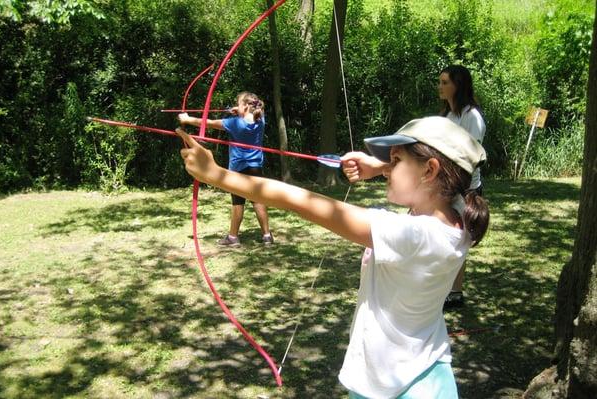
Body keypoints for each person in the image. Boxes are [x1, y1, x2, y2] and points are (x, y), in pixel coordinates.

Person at [177, 116, 489, 398]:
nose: (387, 170)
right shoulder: (458, 215)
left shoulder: (412, 236)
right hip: (421, 372)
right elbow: (448, 178)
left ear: (429, 170)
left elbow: (299, 200)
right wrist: (378, 167)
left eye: (395, 161)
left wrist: (216, 175)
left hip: (402, 388)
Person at [178, 92, 273, 246]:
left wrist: (187, 119)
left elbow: (208, 123)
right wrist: (240, 110)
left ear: (246, 106)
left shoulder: (234, 123)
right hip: (256, 167)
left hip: (238, 169)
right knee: (258, 201)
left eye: (239, 103)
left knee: (238, 203)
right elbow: (250, 114)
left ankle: (233, 238)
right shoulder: (260, 119)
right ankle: (267, 235)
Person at [438, 65, 486, 308]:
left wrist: (458, 186)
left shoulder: (472, 117)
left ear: (458, 85)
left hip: (466, 189)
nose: (441, 86)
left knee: (459, 238)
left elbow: (472, 157)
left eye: (445, 82)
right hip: (447, 184)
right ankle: (443, 287)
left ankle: (455, 293)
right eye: (441, 82)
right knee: (443, 234)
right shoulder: (449, 115)